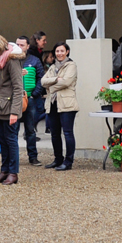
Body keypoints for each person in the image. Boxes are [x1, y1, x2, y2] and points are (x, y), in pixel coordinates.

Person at [0, 34, 25, 184]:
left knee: (11, 141)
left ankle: (13, 173)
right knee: (2, 141)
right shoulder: (0, 60)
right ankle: (4, 170)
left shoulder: (12, 60)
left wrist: (15, 112)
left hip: (9, 108)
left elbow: (18, 88)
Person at [42, 41, 79, 171]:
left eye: (62, 51)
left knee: (68, 133)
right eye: (57, 51)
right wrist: (56, 79)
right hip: (52, 103)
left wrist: (51, 85)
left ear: (67, 52)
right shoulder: (53, 67)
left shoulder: (71, 65)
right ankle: (58, 159)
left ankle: (68, 161)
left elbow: (67, 82)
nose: (59, 53)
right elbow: (42, 81)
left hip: (67, 104)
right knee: (55, 134)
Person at [16, 36, 45, 166]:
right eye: (17, 44)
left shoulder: (34, 60)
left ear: (28, 46)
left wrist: (35, 93)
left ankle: (33, 157)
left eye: (22, 45)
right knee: (13, 130)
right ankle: (13, 158)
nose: (19, 47)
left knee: (30, 129)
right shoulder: (10, 60)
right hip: (15, 99)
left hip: (30, 99)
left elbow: (41, 78)